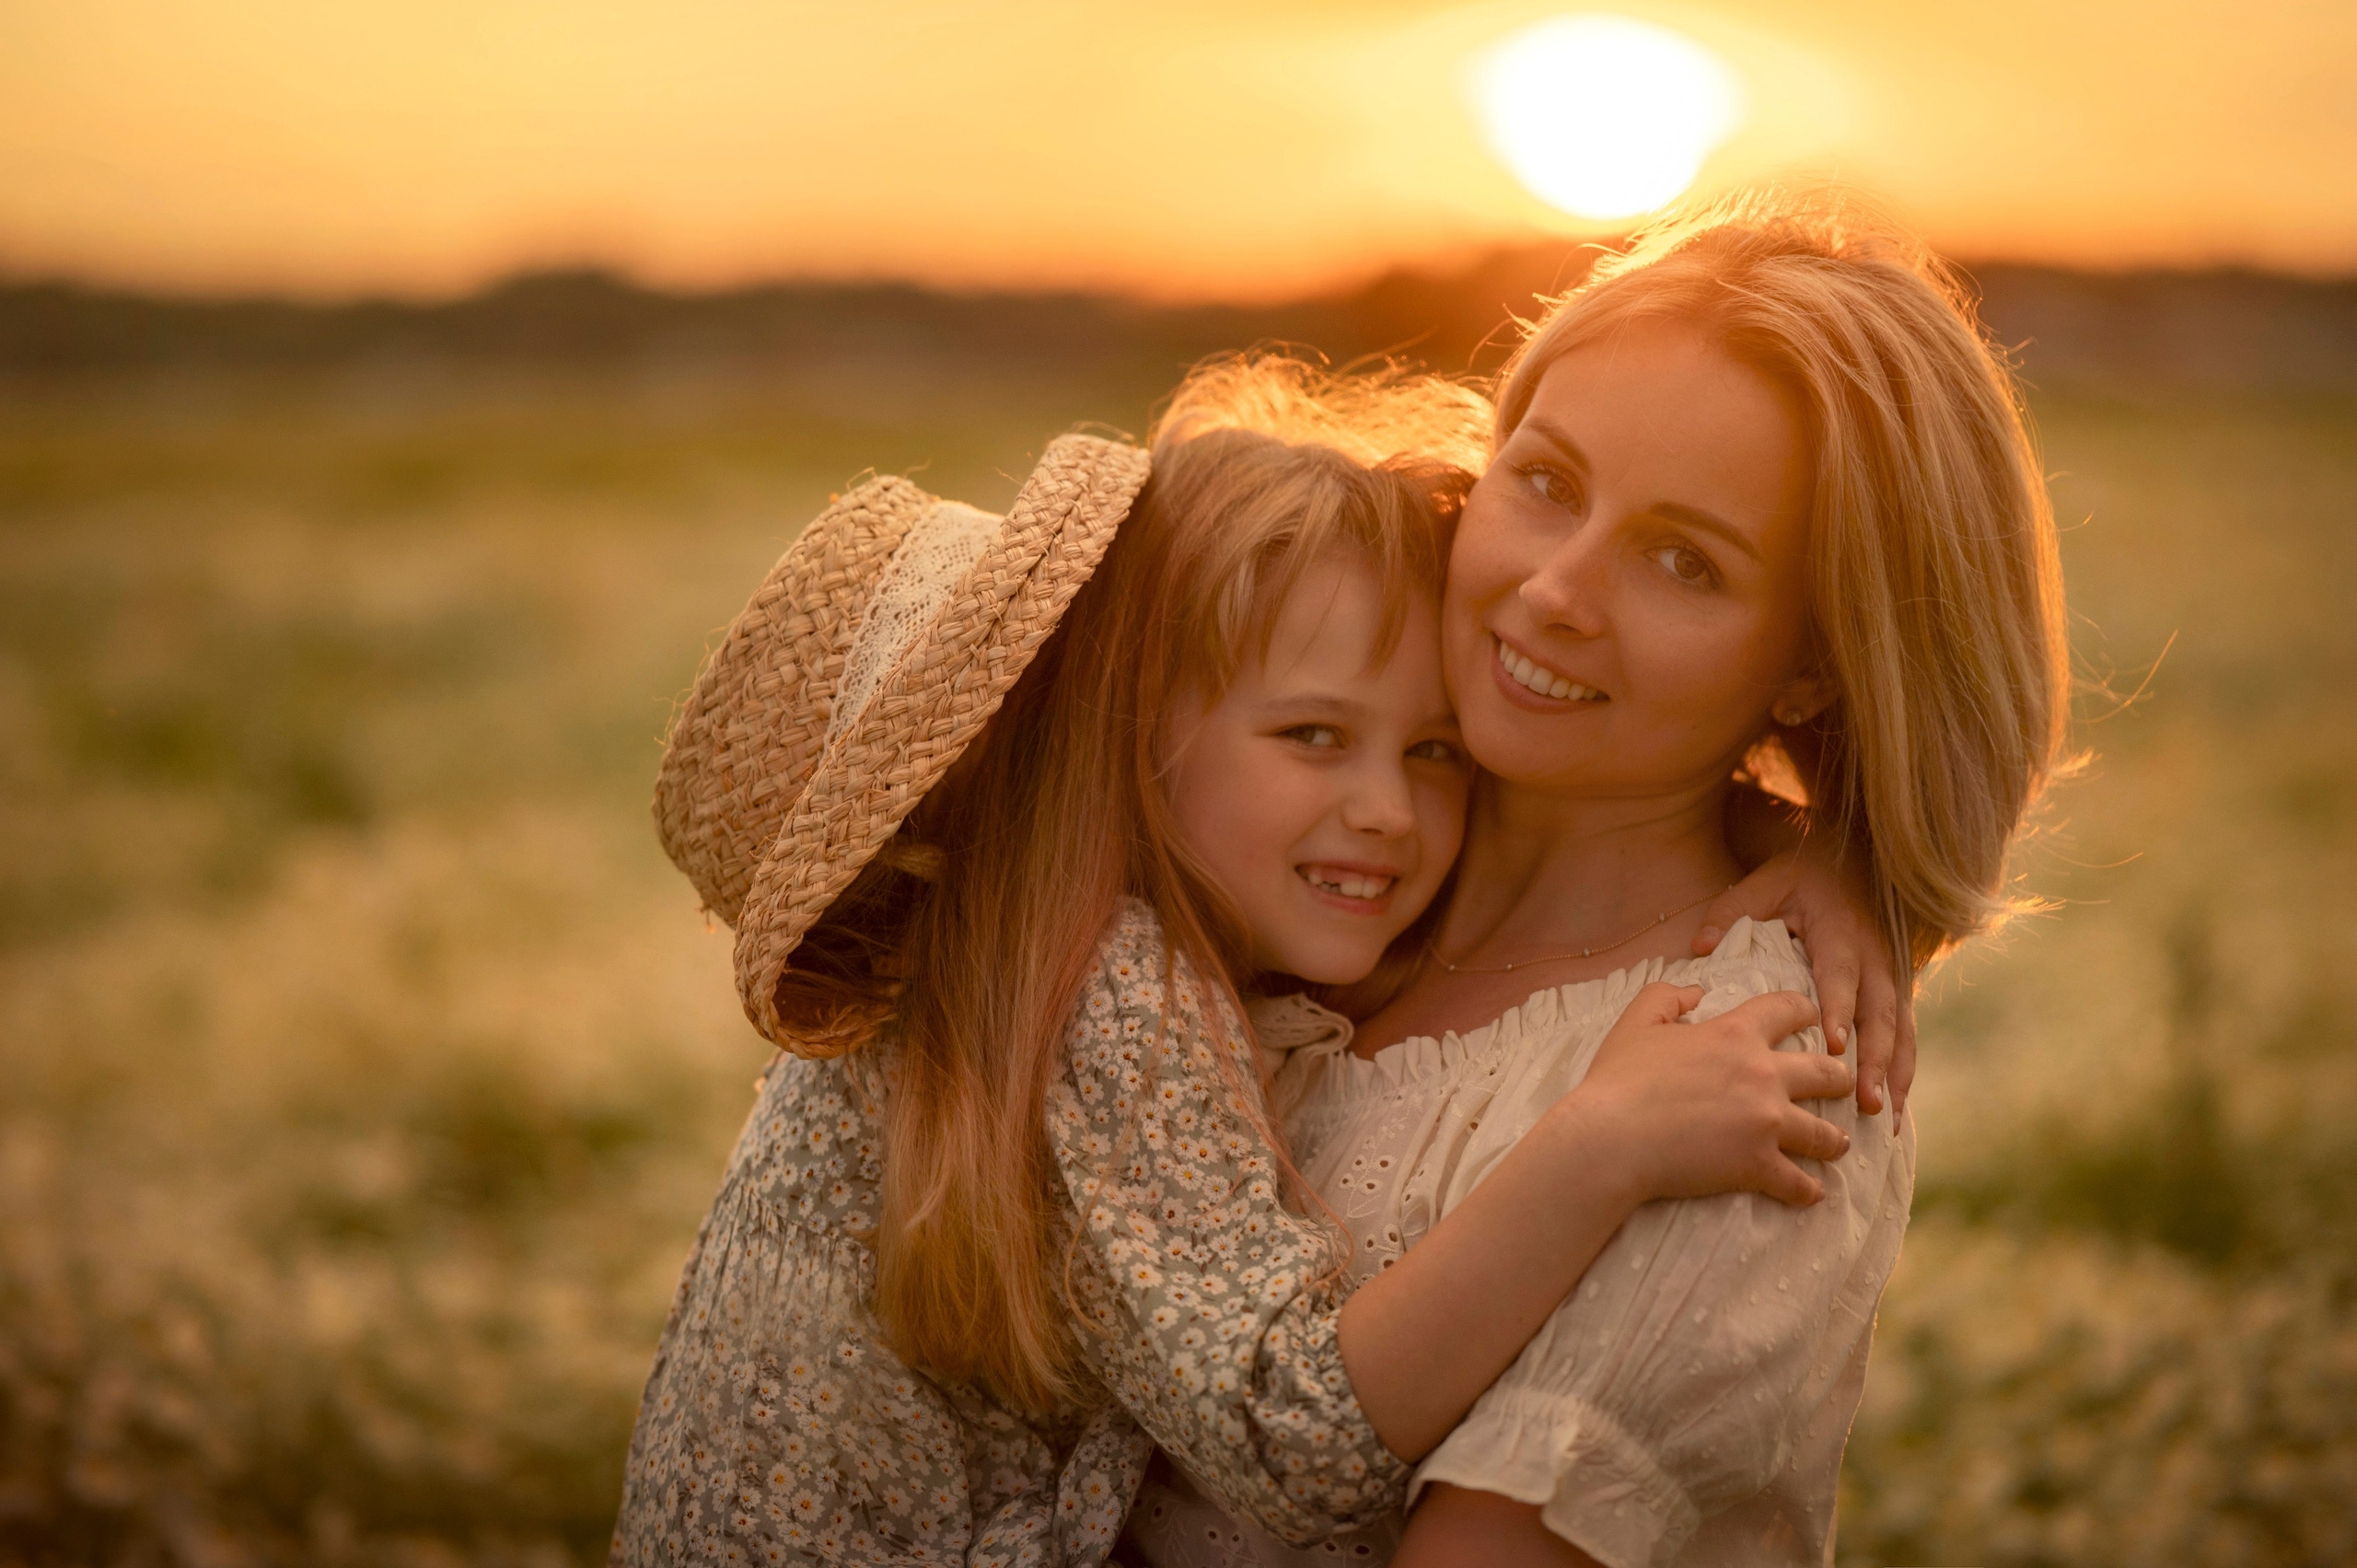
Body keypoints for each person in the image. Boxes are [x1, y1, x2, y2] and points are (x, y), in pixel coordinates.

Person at [611, 356, 1896, 1567]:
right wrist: (1601, 1141)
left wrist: (1809, 844)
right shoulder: (1110, 989)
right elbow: (1297, 1437)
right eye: (1314, 735)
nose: (1387, 812)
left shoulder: (1034, 935)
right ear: (1136, 736)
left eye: (1435, 751)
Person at [1145, 195, 2070, 1568]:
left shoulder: (1749, 1075)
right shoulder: (1317, 853)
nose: (1556, 591)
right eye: (1546, 482)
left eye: (1685, 562)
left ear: (1812, 665)